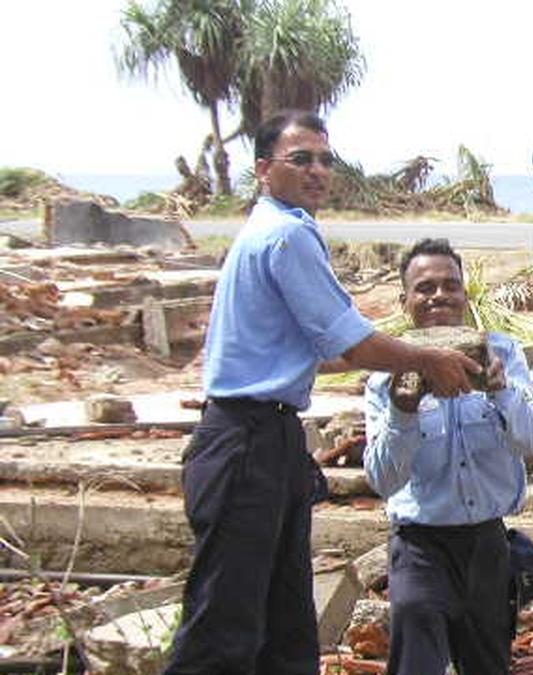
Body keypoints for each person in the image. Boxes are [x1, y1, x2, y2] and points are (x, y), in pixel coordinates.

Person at [165, 111, 480, 675]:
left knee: (285, 624)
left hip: (268, 437)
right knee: (224, 629)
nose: (317, 171)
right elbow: (351, 344)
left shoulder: (274, 230)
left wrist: (405, 354)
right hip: (247, 441)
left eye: (325, 160)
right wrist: (425, 358)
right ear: (264, 169)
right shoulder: (286, 235)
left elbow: (322, 353)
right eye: (301, 159)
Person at [363, 238, 533, 675]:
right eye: (425, 288)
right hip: (420, 548)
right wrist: (402, 412)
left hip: (487, 545)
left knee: (488, 664)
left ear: (466, 295)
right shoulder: (386, 377)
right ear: (404, 301)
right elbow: (382, 480)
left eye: (450, 285)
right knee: (417, 659)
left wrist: (502, 391)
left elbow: (531, 440)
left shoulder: (503, 354)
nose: (439, 296)